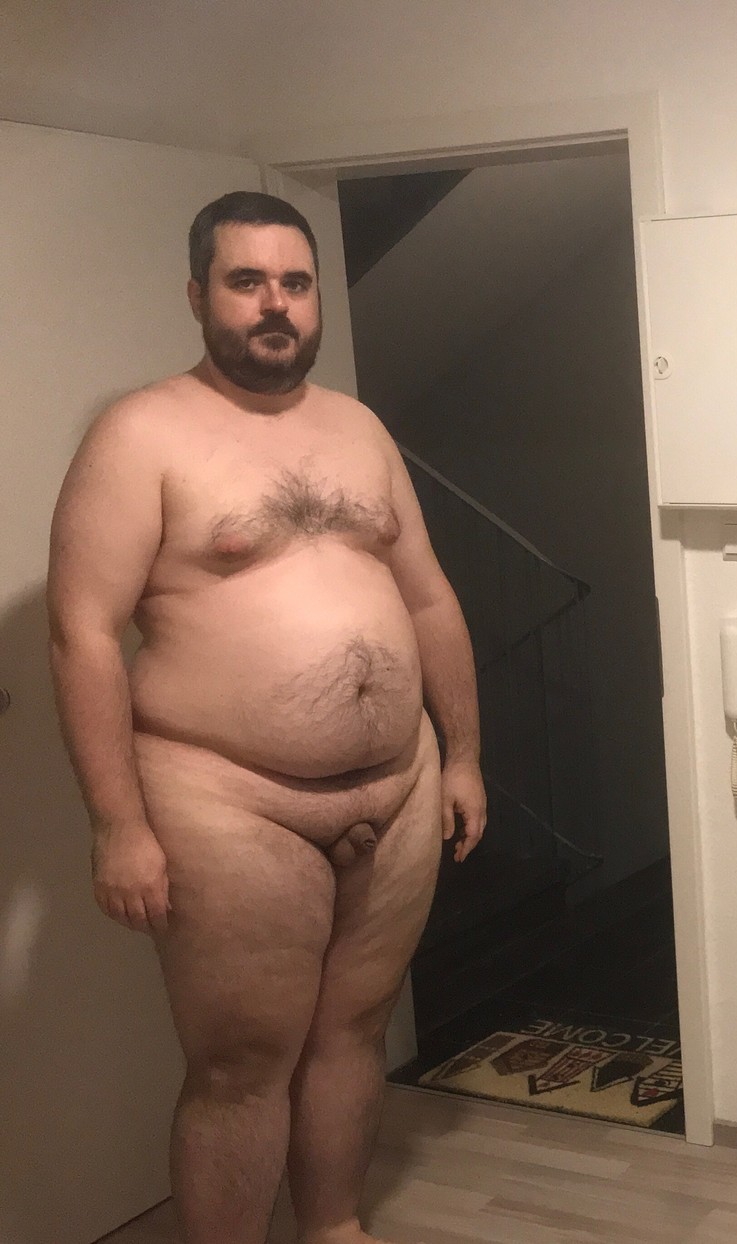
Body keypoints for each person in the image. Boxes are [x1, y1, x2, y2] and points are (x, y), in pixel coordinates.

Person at [46, 190, 486, 1244]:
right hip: (229, 800)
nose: (275, 304)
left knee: (354, 1033)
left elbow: (429, 597)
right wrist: (119, 824)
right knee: (241, 1064)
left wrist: (465, 754)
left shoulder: (359, 427)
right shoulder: (140, 433)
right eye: (247, 281)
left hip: (401, 782)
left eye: (295, 282)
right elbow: (82, 635)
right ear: (199, 295)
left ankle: (333, 1226)